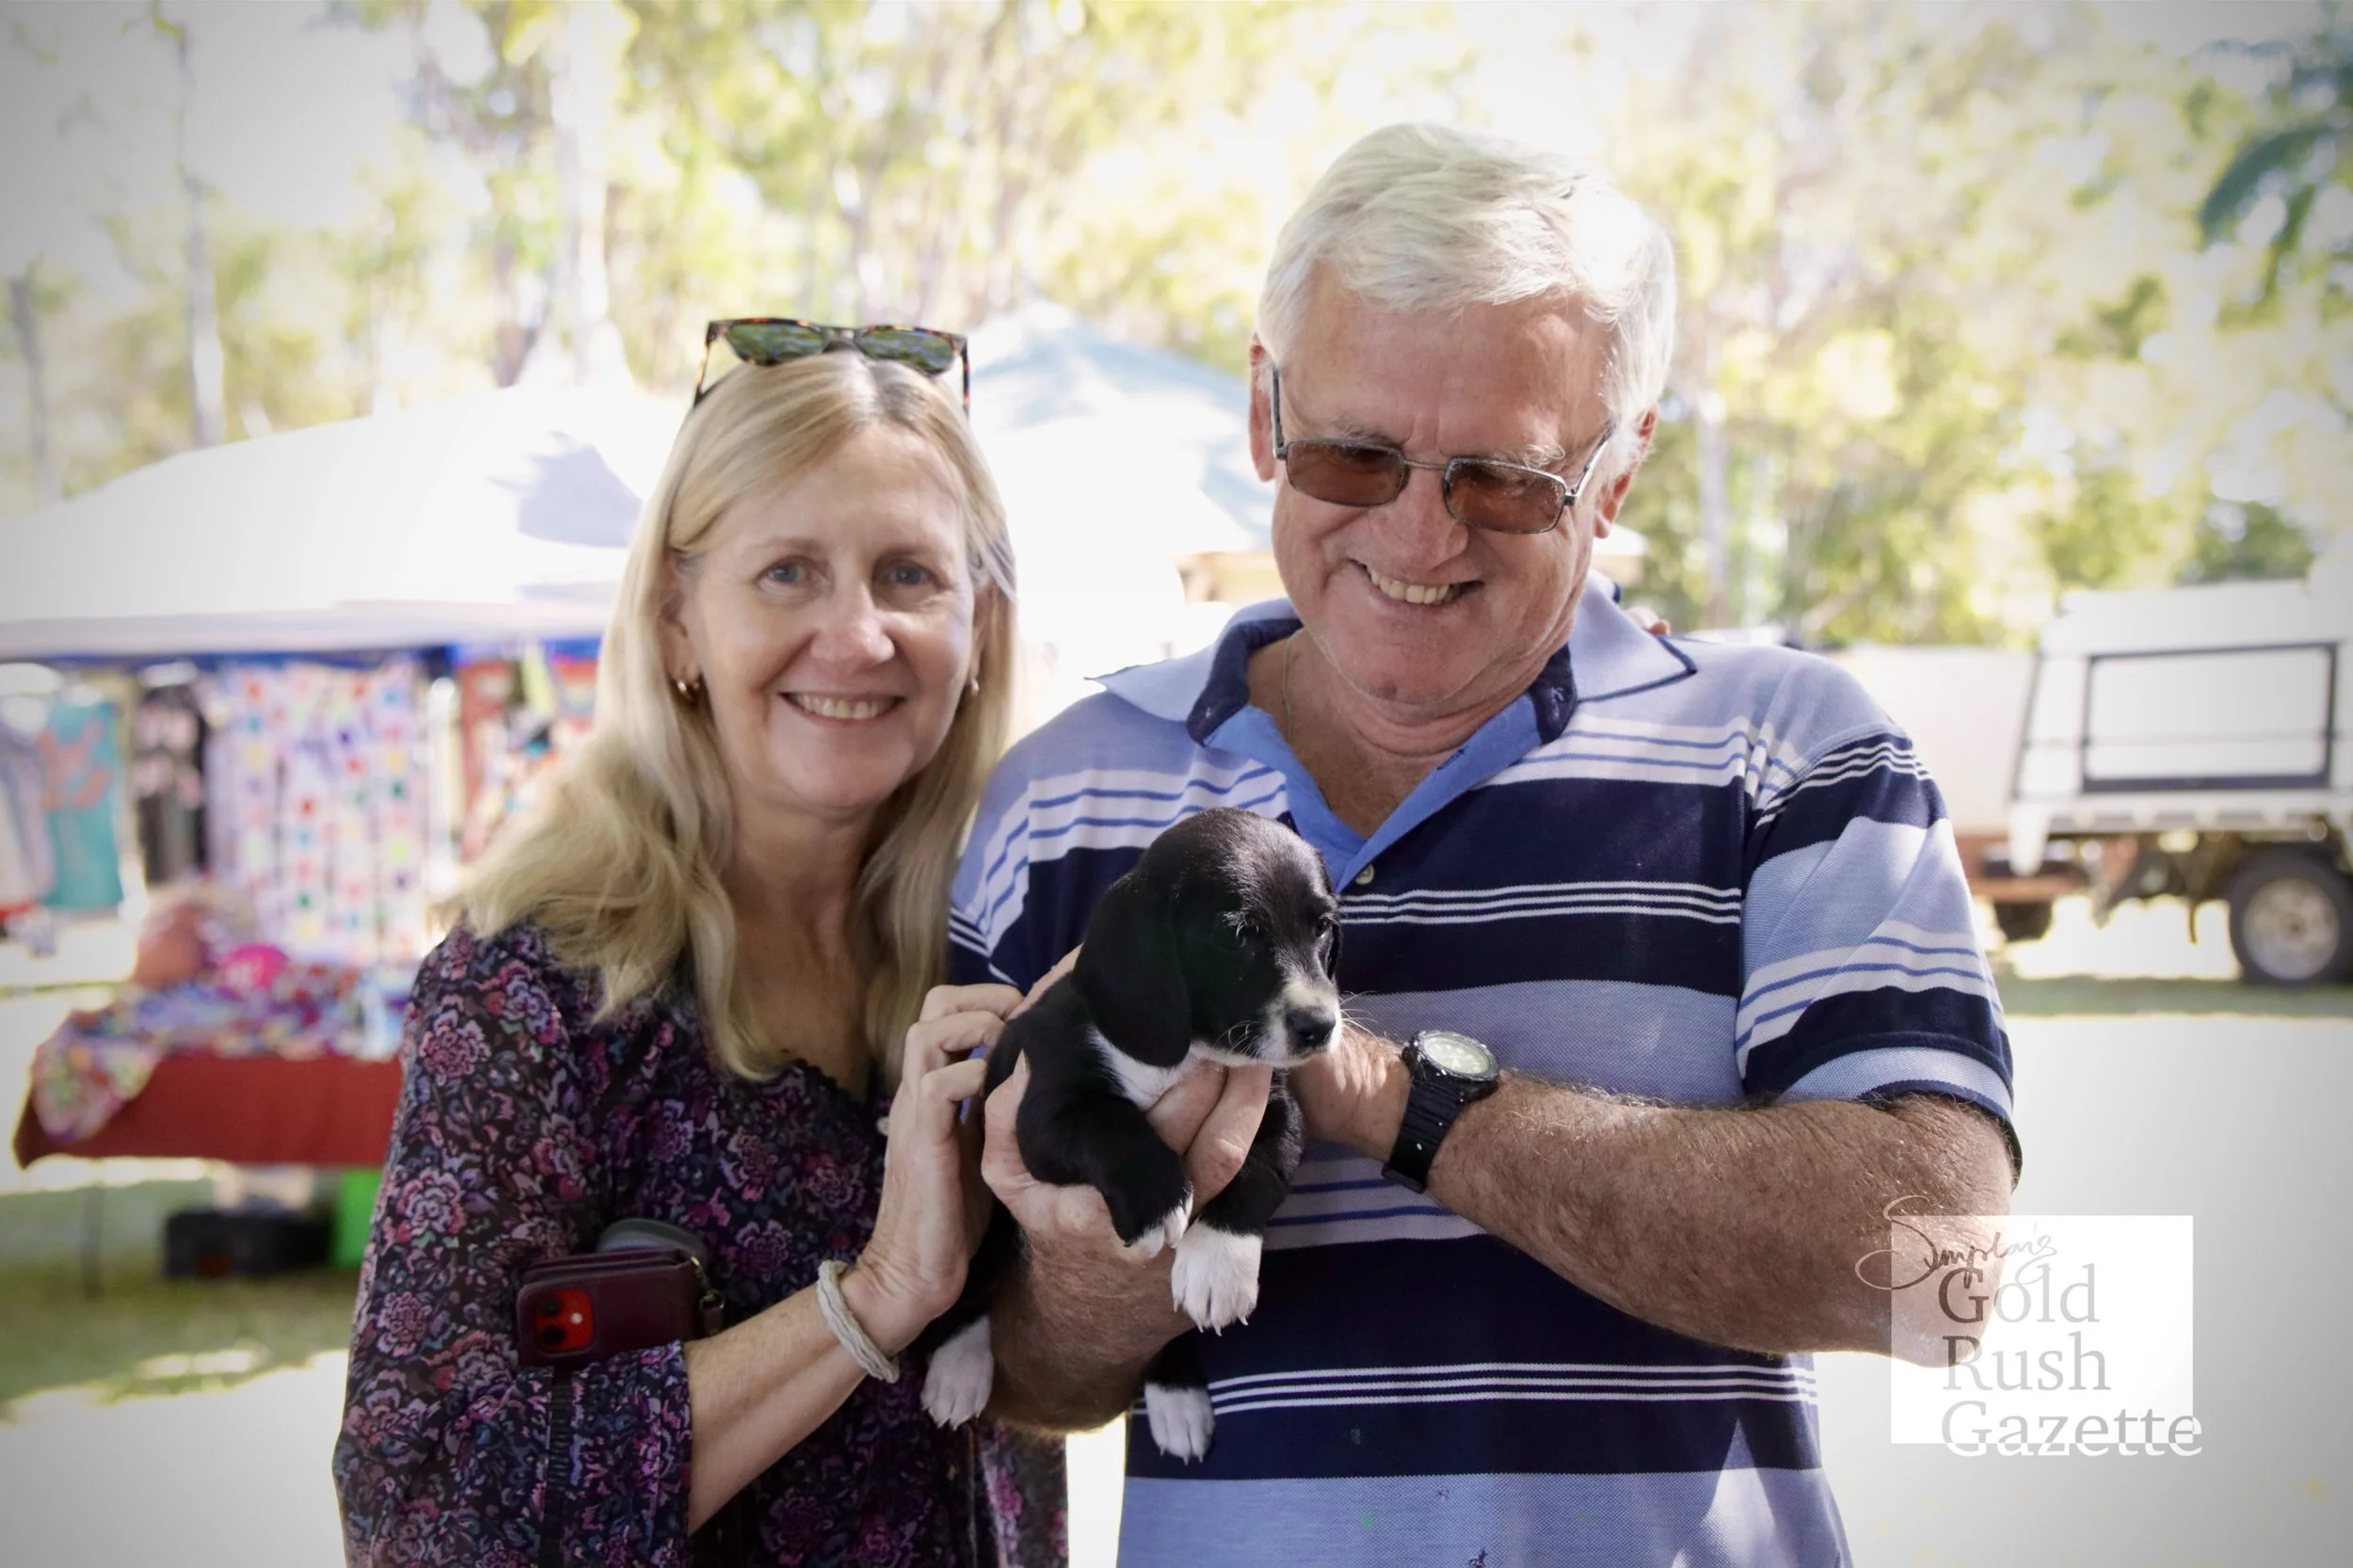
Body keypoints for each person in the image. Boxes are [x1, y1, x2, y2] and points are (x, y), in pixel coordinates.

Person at [952, 123, 2019, 1567]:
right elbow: (1013, 1375)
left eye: (1502, 480)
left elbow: (1943, 1269)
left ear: (1619, 474)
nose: (1415, 532)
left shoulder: (1798, 753)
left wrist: (1399, 1101)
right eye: (1353, 452)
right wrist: (1113, 1255)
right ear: (1267, 409)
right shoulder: (1058, 796)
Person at [333, 338, 1064, 1567]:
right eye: (788, 572)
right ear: (679, 618)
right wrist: (874, 1293)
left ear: (979, 621)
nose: (859, 632)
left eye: (908, 574)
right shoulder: (538, 985)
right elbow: (420, 1508)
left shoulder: (1008, 943)